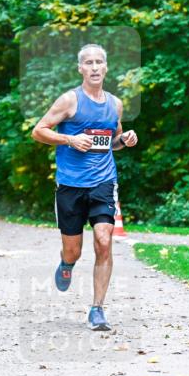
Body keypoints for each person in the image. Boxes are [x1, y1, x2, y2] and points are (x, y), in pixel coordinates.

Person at [31, 44, 138, 331]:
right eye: (88, 62)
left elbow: (111, 142)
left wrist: (124, 139)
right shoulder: (69, 101)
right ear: (80, 68)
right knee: (73, 251)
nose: (93, 67)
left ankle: (97, 309)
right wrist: (70, 140)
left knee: (104, 241)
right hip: (70, 185)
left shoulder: (114, 104)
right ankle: (66, 265)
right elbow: (38, 131)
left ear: (106, 67)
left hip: (103, 182)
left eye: (98, 62)